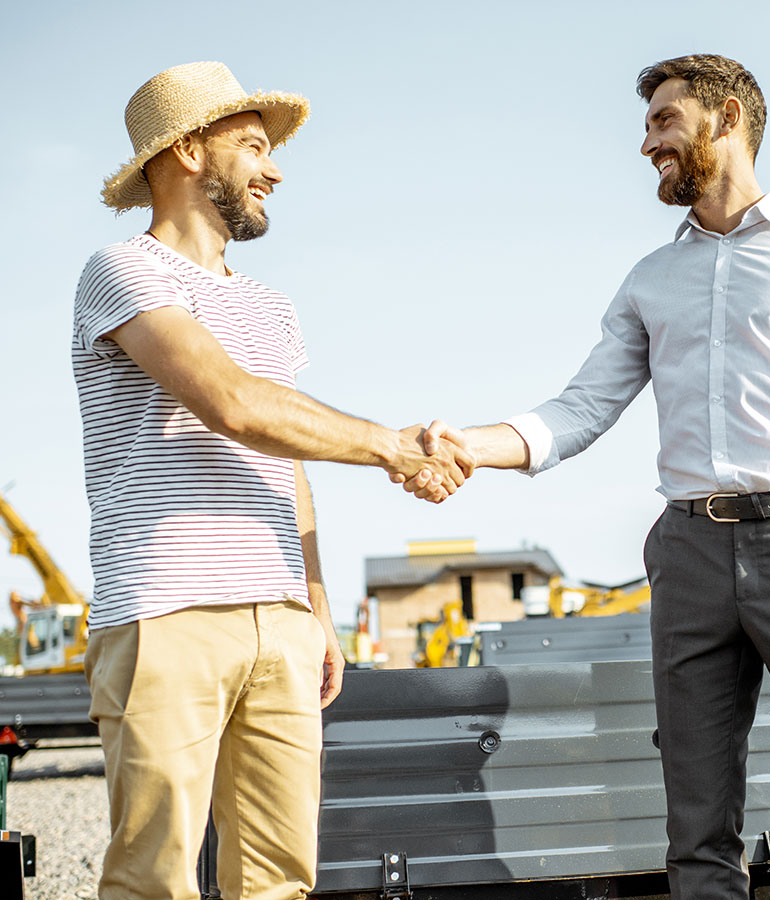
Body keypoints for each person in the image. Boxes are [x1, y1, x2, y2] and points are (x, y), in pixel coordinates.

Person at [404, 54, 770, 899]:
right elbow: (580, 409)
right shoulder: (650, 279)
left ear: (728, 118)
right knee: (697, 837)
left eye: (663, 121)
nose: (646, 144)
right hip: (689, 555)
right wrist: (466, 445)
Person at [72, 61, 472, 900]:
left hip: (279, 620)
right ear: (186, 150)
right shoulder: (121, 270)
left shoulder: (271, 306)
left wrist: (316, 609)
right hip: (166, 609)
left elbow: (281, 461)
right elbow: (233, 403)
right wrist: (393, 447)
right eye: (253, 146)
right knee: (154, 882)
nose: (276, 168)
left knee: (281, 883)